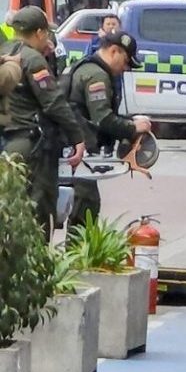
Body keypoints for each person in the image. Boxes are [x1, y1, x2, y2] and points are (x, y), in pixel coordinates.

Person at [2, 7, 85, 236]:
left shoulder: (5, 53)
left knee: (11, 205)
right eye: (47, 34)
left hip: (8, 142)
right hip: (32, 145)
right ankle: (36, 266)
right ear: (39, 32)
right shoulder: (32, 59)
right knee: (40, 205)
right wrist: (77, 136)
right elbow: (53, 102)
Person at [66, 31, 151, 229]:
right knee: (86, 208)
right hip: (80, 151)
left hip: (73, 147)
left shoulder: (86, 66)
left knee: (84, 206)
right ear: (114, 51)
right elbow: (103, 119)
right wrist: (132, 127)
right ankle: (80, 258)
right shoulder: (97, 76)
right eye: (126, 62)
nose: (125, 68)